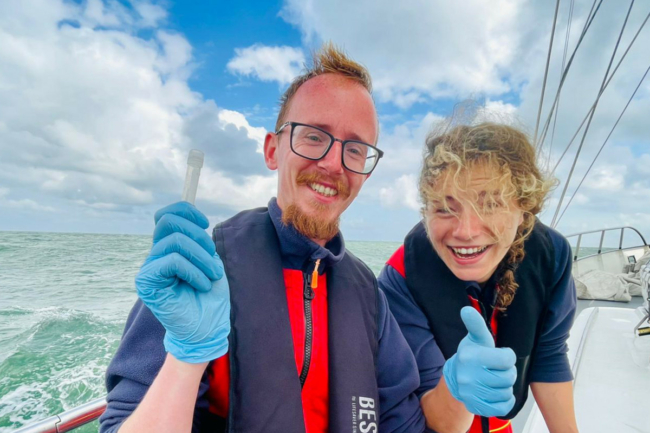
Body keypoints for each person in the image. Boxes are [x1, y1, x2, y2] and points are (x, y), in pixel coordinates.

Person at [99, 43, 430, 433]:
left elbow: (402, 423)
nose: (332, 163)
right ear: (273, 150)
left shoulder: (369, 297)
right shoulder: (202, 270)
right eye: (313, 137)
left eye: (355, 149)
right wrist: (186, 357)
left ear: (366, 171)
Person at [379, 120, 579, 433]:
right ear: (425, 212)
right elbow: (434, 417)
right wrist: (457, 384)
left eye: (490, 204)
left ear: (524, 211)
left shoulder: (552, 256)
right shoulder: (401, 278)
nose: (466, 231)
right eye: (445, 208)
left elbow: (548, 354)